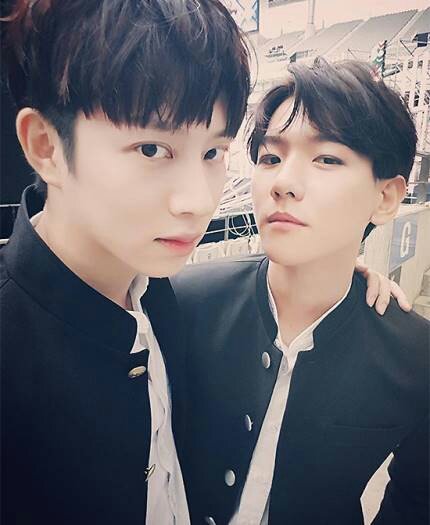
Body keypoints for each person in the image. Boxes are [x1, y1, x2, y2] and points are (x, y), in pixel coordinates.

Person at [0, 1, 250, 523]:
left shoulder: (153, 289)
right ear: (46, 146)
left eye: (213, 152)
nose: (199, 201)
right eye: (152, 150)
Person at [172, 58, 429, 524]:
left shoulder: (416, 356)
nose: (283, 183)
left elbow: (417, 499)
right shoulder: (182, 303)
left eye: (326, 158)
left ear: (386, 197)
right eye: (270, 158)